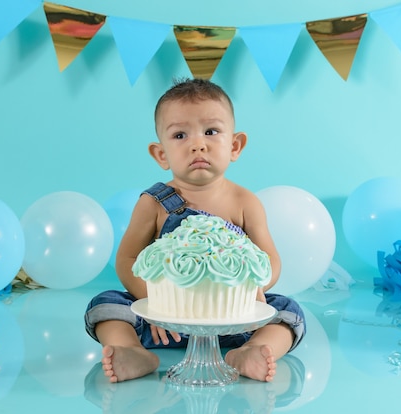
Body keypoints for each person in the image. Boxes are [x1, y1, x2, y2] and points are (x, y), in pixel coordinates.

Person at [84, 78, 306, 383]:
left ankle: (253, 349)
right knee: (106, 304)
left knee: (288, 311)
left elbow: (270, 259)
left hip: (231, 321)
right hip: (165, 326)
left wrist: (255, 287)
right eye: (179, 135)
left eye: (211, 131)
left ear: (235, 145)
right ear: (161, 154)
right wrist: (155, 304)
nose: (197, 143)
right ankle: (130, 350)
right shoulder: (154, 203)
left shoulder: (245, 202)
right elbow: (127, 259)